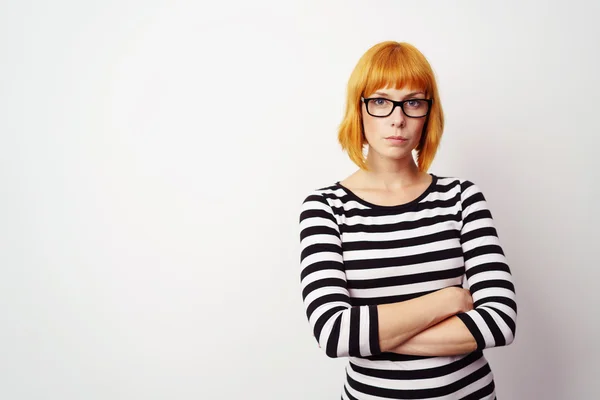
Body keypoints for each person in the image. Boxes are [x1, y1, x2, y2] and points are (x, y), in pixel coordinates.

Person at [298, 41, 517, 400]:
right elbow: (334, 334)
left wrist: (374, 336)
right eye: (381, 101)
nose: (397, 118)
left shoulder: (462, 198)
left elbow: (499, 322)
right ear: (360, 109)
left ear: (428, 113)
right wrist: (446, 300)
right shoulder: (326, 207)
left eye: (413, 102)